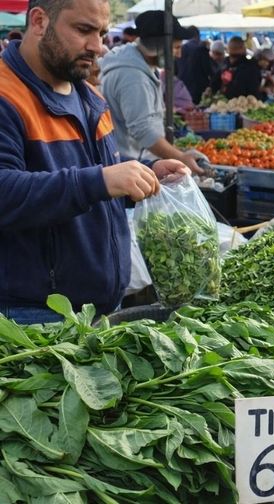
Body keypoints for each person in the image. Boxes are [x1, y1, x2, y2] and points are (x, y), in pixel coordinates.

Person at [0, 0, 188, 324]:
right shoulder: (7, 96)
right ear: (40, 21)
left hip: (99, 307)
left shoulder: (89, 96)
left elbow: (94, 164)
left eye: (101, 33)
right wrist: (100, 181)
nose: (98, 47)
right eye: (84, 30)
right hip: (34, 317)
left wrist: (141, 172)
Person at [100, 10, 201, 171]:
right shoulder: (133, 77)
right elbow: (144, 131)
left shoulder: (138, 63)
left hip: (134, 162)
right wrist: (180, 157)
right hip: (130, 165)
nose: (179, 54)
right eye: (175, 48)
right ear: (160, 47)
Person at [177, 25, 211, 105]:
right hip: (199, 90)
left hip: (182, 88)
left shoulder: (180, 49)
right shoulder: (201, 49)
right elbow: (208, 70)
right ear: (198, 35)